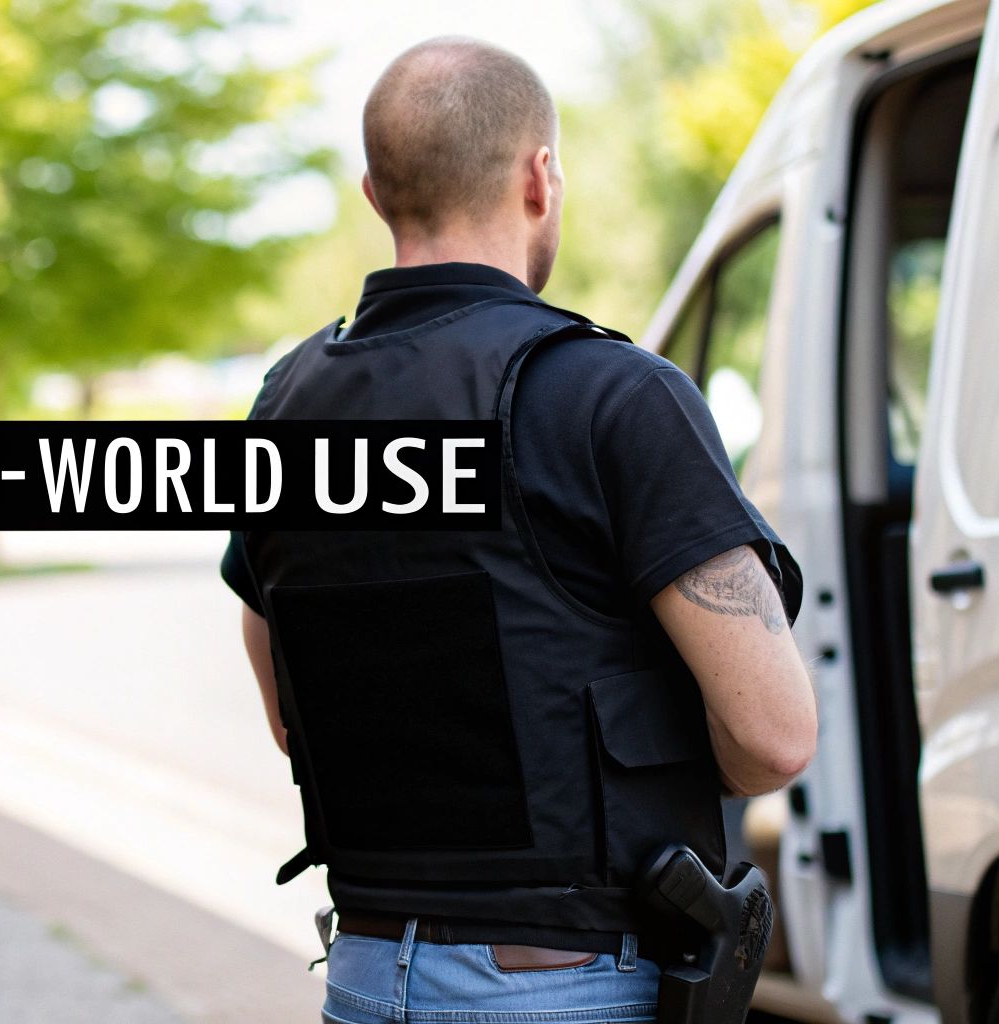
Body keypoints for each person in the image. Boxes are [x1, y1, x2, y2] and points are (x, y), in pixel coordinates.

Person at [220, 38, 818, 1023]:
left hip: (365, 975)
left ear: (373, 194)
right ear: (539, 176)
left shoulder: (285, 404)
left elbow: (287, 700)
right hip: (565, 986)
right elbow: (773, 736)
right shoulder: (609, 395)